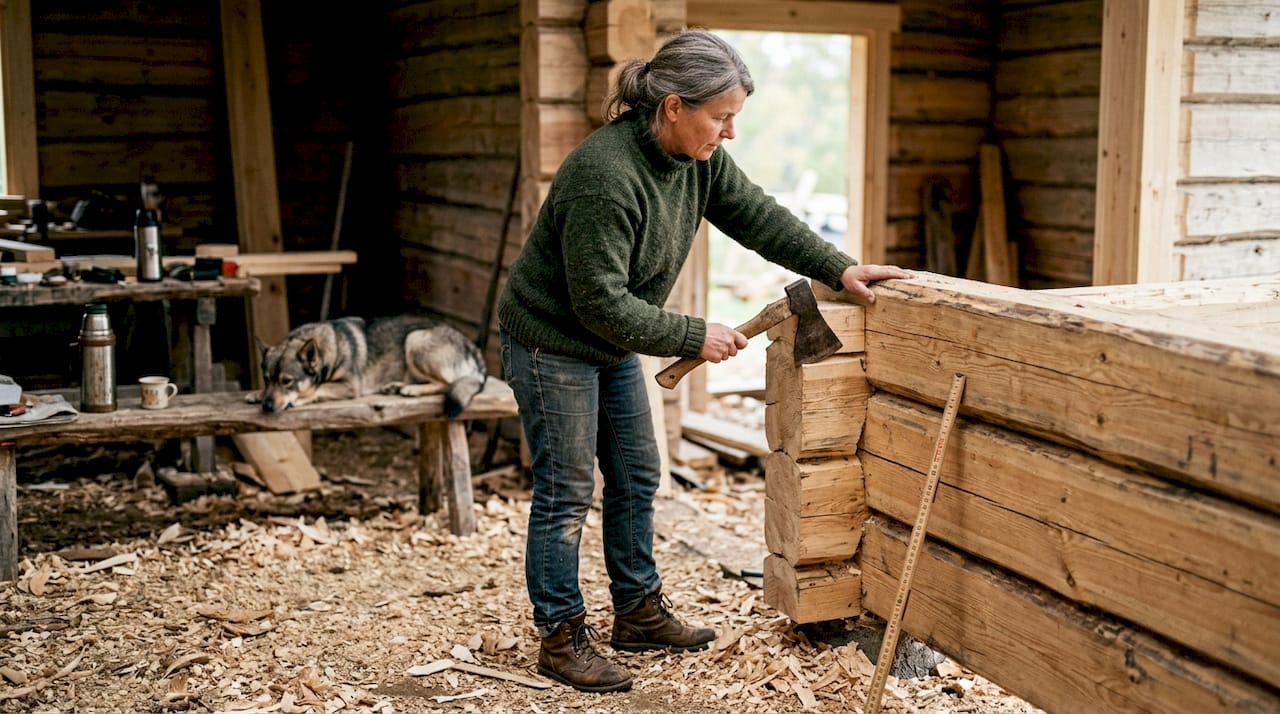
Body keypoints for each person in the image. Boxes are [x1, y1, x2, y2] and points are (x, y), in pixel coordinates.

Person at [497, 29, 911, 693]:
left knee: (636, 473)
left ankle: (635, 610)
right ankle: (561, 633)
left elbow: (757, 215)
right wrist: (694, 334)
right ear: (673, 108)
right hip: (552, 342)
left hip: (605, 342)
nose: (729, 134)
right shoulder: (604, 179)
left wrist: (838, 266)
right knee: (567, 490)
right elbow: (599, 304)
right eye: (722, 118)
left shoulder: (698, 160)